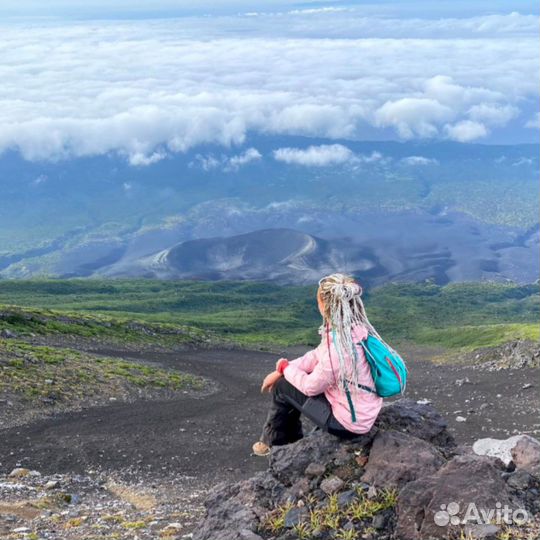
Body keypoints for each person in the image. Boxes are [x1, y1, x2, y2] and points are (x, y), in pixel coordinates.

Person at [252, 273, 384, 456]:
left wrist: (284, 370)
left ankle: (279, 445)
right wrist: (284, 367)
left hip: (347, 425)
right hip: (364, 410)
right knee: (287, 379)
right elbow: (316, 356)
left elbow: (310, 387)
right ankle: (281, 440)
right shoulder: (356, 331)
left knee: (282, 387)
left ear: (324, 306)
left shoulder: (338, 349)